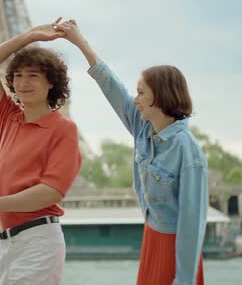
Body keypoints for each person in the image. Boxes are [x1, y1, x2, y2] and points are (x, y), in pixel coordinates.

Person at [57, 19, 208, 285]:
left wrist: (183, 280)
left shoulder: (188, 152)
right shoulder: (142, 127)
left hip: (178, 250)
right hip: (152, 237)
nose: (134, 99)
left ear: (160, 98)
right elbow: (111, 86)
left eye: (140, 93)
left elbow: (192, 226)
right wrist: (80, 42)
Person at [0, 18, 82, 284]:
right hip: (8, 242)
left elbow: (50, 193)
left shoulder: (63, 129)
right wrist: (28, 37)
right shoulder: (9, 117)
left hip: (39, 239)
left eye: (33, 76)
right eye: (18, 75)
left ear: (51, 82)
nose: (23, 82)